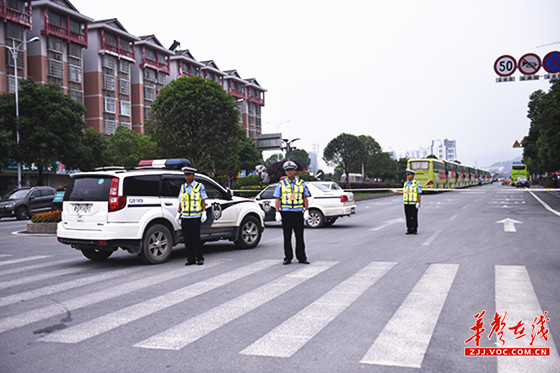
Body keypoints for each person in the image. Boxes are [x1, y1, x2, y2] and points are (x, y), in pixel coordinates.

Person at [274, 161, 311, 265]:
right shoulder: (281, 184)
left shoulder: (301, 183)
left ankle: (302, 257)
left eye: (291, 170)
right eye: (287, 170)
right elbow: (277, 199)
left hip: (298, 213)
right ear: (285, 172)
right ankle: (288, 257)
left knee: (299, 236)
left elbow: (305, 197)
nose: (289, 172)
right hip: (286, 213)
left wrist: (307, 210)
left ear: (295, 171)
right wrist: (277, 212)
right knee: (287, 236)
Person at [177, 166, 207, 265]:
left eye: (189, 175)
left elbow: (203, 200)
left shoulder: (199, 186)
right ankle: (190, 259)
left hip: (195, 217)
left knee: (195, 238)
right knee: (187, 239)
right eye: (186, 175)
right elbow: (181, 201)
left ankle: (199, 258)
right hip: (185, 217)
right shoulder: (183, 187)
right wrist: (178, 213)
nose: (187, 177)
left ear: (193, 175)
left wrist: (204, 212)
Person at [397, 169, 422, 235]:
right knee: (408, 217)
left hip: (413, 203)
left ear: (413, 175)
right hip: (406, 203)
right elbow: (405, 192)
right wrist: (397, 192)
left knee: (414, 217)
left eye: (409, 175)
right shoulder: (406, 183)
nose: (408, 176)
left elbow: (419, 193)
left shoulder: (417, 184)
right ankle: (409, 229)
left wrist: (418, 202)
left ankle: (414, 229)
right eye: (407, 175)